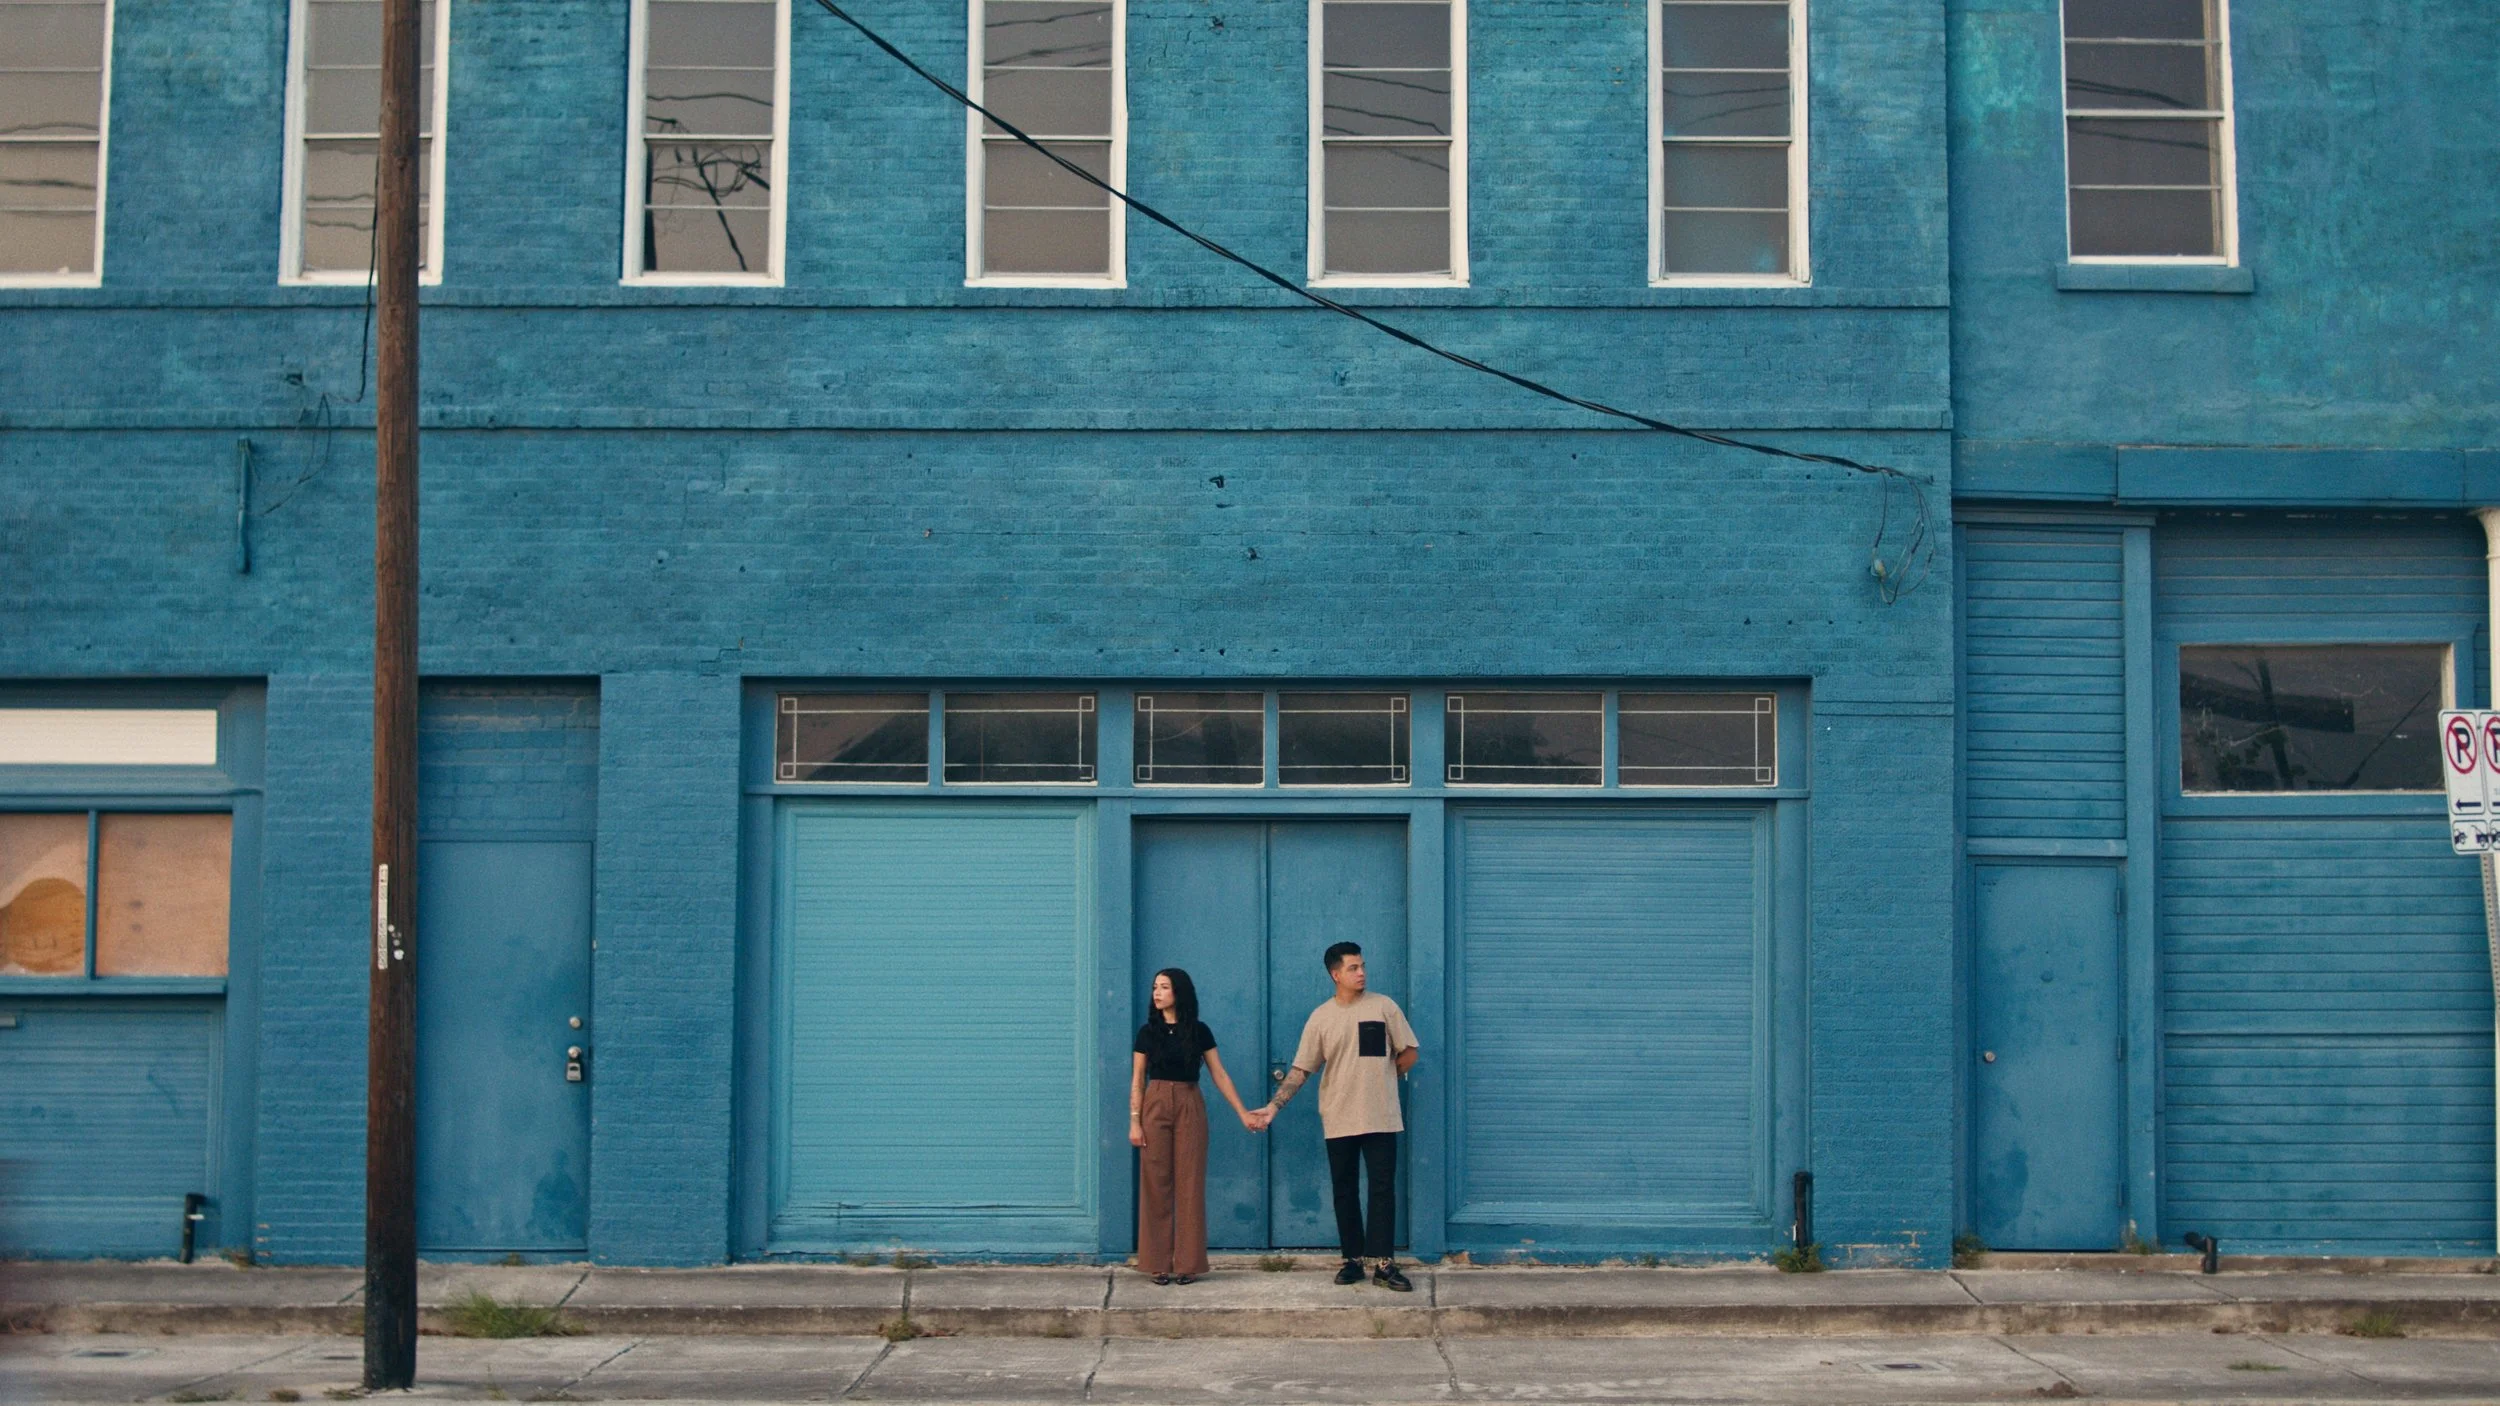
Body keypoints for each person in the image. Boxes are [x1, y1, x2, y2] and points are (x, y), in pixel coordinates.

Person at [1251, 941, 1419, 1291]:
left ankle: (1384, 1264)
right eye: (1354, 968)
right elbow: (1302, 1070)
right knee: (1344, 1190)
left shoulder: (1383, 1007)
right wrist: (1272, 1107)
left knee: (1382, 1189)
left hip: (1381, 1116)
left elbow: (1409, 1052)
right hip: (1339, 1116)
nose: (1362, 973)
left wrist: (1384, 1078)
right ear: (1335, 974)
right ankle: (1353, 1260)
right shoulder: (1321, 1018)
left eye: (1362, 966)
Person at [1131, 966, 1261, 1285]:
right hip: (1156, 1101)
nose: (1157, 993)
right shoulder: (1147, 1032)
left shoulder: (1199, 1031)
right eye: (1154, 987)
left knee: (1190, 1183)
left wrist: (1242, 1111)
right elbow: (1137, 1079)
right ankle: (1157, 1262)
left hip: (1190, 1102)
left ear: (1179, 992)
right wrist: (1135, 1121)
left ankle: (1187, 1264)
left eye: (1164, 987)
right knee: (1156, 1183)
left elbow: (1219, 1073)